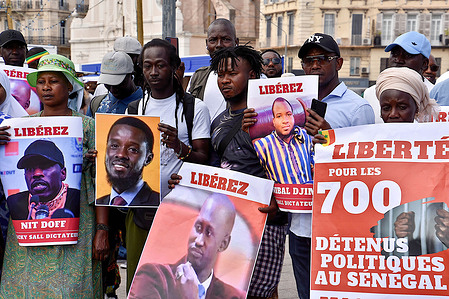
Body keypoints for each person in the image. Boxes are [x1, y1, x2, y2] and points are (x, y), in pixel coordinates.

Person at [0, 54, 104, 298]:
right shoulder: (19, 127)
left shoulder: (88, 127)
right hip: (27, 234)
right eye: (41, 82)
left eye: (54, 81)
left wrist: (102, 229)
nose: (46, 87)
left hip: (79, 226)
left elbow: (102, 183)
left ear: (69, 86)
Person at [291, 33, 375, 299]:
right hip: (300, 222)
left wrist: (330, 137)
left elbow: (366, 167)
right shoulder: (291, 104)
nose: (314, 65)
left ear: (338, 63)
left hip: (338, 227)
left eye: (323, 59)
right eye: (308, 60)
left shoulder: (358, 107)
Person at [125, 38, 210, 292]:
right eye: (147, 66)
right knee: (141, 281)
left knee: (177, 284)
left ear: (175, 67)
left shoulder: (194, 108)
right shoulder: (134, 108)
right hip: (140, 207)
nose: (153, 72)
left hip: (182, 210)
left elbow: (204, 157)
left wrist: (178, 147)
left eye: (160, 65)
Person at [207, 45, 285, 299]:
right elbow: (215, 167)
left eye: (232, 73)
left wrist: (279, 208)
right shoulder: (219, 121)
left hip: (263, 222)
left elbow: (286, 168)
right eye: (220, 75)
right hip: (229, 220)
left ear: (252, 75)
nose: (225, 80)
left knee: (260, 292)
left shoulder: (268, 116)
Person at [129, 193, 245, 299]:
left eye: (209, 233)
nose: (199, 241)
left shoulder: (233, 296)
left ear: (223, 244)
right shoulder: (152, 276)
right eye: (198, 227)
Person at [363, 31, 433, 123]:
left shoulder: (434, 94)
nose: (398, 60)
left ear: (424, 63)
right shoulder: (371, 93)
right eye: (394, 54)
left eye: (407, 55)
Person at [6, 140, 80, 220]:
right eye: (30, 168)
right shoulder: (13, 204)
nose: (37, 174)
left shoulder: (79, 200)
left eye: (45, 166)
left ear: (63, 173)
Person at [96, 116, 160, 207]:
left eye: (133, 149)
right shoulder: (98, 204)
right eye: (114, 146)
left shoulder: (158, 203)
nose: (121, 154)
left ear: (148, 159)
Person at [187, 18, 239, 121]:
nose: (219, 45)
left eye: (225, 39)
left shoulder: (252, 76)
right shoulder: (198, 76)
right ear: (207, 44)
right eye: (213, 40)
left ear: (236, 42)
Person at [253, 97, 314, 185]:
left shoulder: (305, 136)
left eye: (288, 114)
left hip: (308, 195)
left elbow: (316, 166)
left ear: (293, 117)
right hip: (282, 197)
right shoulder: (262, 145)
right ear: (273, 121)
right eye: (279, 116)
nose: (285, 121)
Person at [87, 51, 143, 117]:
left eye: (118, 84)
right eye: (108, 84)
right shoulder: (97, 104)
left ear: (131, 75)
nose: (112, 89)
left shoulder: (147, 103)